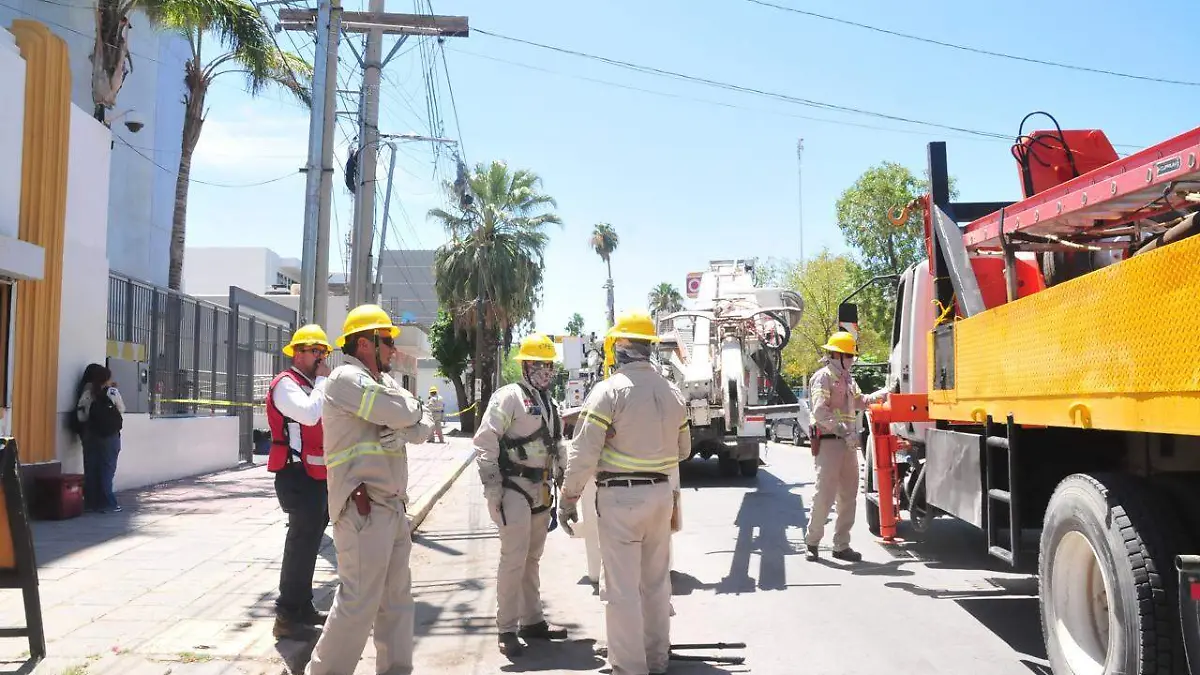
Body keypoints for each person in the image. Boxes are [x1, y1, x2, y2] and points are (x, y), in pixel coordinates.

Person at [559, 311, 690, 675]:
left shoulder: (608, 392)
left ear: (620, 347)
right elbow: (682, 451)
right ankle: (657, 660)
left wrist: (568, 498)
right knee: (655, 584)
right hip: (661, 496)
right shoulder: (672, 392)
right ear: (647, 349)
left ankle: (630, 668)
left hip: (620, 499)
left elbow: (583, 453)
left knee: (622, 591)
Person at [305, 304, 433, 675]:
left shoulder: (385, 383)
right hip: (363, 510)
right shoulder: (346, 379)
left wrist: (409, 419)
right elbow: (410, 414)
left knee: (396, 603)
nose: (393, 348)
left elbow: (422, 425)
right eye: (387, 340)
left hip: (391, 508)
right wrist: (410, 414)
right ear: (364, 344)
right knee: (358, 603)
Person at [474, 333, 569, 658]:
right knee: (513, 560)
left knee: (532, 559)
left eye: (550, 365)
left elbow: (556, 444)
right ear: (527, 366)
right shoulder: (509, 397)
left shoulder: (549, 402)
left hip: (541, 490)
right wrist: (493, 488)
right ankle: (507, 628)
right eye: (541, 364)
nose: (547, 370)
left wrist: (562, 478)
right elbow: (485, 441)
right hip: (514, 488)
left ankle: (532, 621)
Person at [267, 324, 333, 640]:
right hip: (297, 476)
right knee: (300, 545)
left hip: (317, 475)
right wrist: (323, 380)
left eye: (322, 351)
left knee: (308, 546)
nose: (320, 356)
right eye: (314, 351)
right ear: (297, 352)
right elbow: (308, 416)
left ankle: (302, 607)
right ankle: (286, 615)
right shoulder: (287, 385)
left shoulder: (312, 384)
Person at [804, 331, 890, 563]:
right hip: (830, 443)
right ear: (837, 354)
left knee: (848, 496)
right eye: (849, 355)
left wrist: (879, 396)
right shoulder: (823, 378)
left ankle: (841, 545)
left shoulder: (848, 379)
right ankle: (812, 542)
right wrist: (840, 428)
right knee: (824, 495)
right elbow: (820, 410)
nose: (852, 360)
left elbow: (859, 401)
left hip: (848, 445)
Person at [75, 364, 125, 514]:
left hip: (90, 435)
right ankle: (108, 503)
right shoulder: (113, 392)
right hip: (110, 435)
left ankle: (91, 503)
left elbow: (81, 415)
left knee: (91, 469)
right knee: (107, 469)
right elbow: (122, 409)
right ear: (106, 379)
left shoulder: (87, 393)